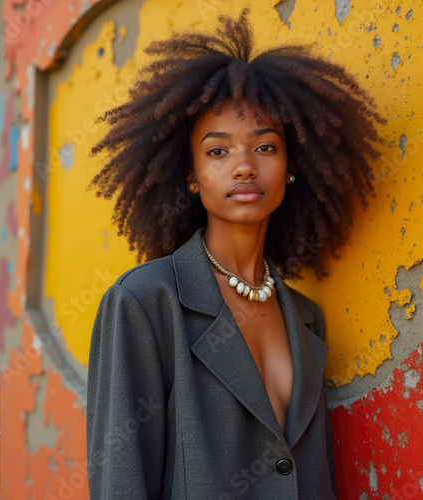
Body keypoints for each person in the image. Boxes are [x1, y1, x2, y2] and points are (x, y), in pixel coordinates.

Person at [86, 8, 382, 499]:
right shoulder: (144, 303)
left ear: (291, 166)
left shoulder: (307, 320)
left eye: (265, 147)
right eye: (217, 151)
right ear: (190, 174)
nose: (244, 167)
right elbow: (121, 481)